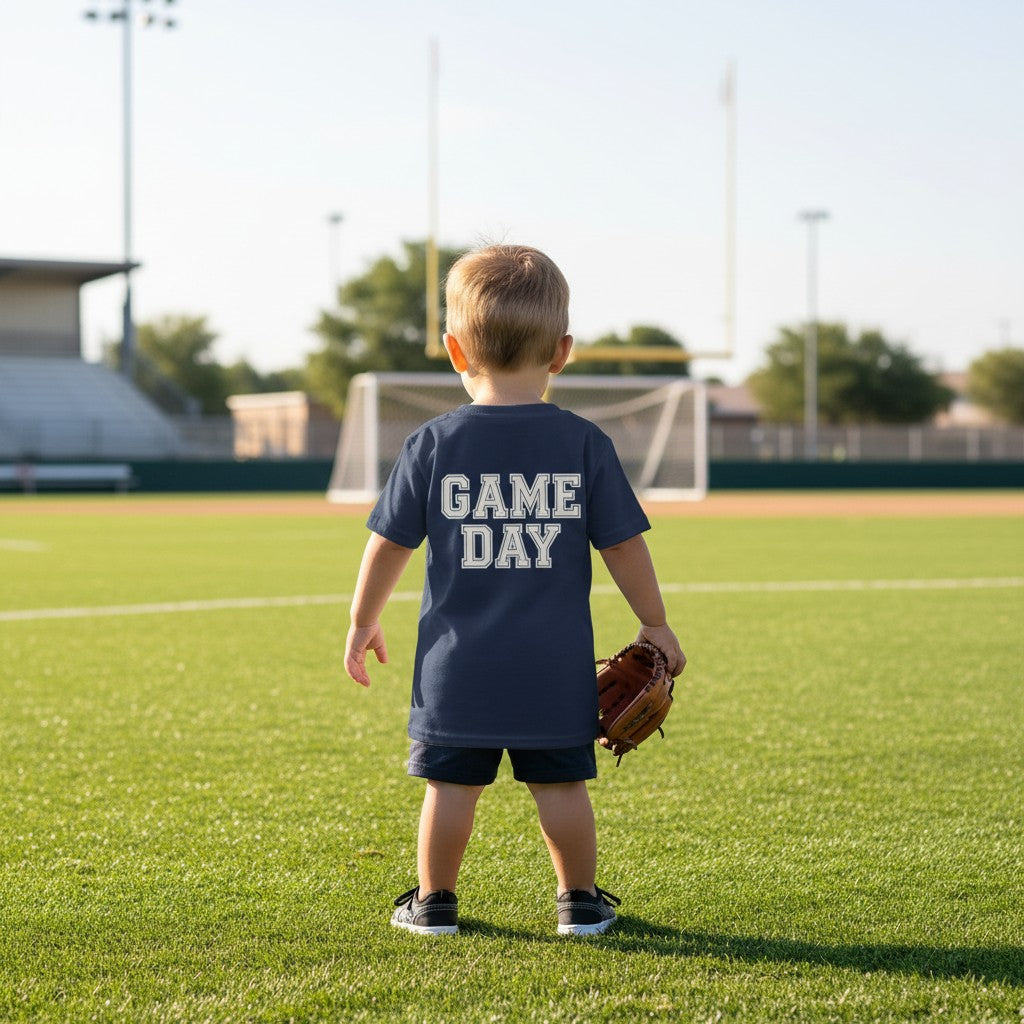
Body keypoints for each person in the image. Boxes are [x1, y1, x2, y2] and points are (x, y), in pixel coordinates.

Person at [344, 244, 685, 937]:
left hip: (455, 665)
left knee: (451, 789)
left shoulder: (431, 444)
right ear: (562, 351)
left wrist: (362, 621)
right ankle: (580, 904)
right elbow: (623, 543)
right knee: (561, 787)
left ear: (452, 348)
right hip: (553, 666)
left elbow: (389, 543)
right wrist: (655, 623)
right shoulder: (584, 443)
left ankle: (434, 905)